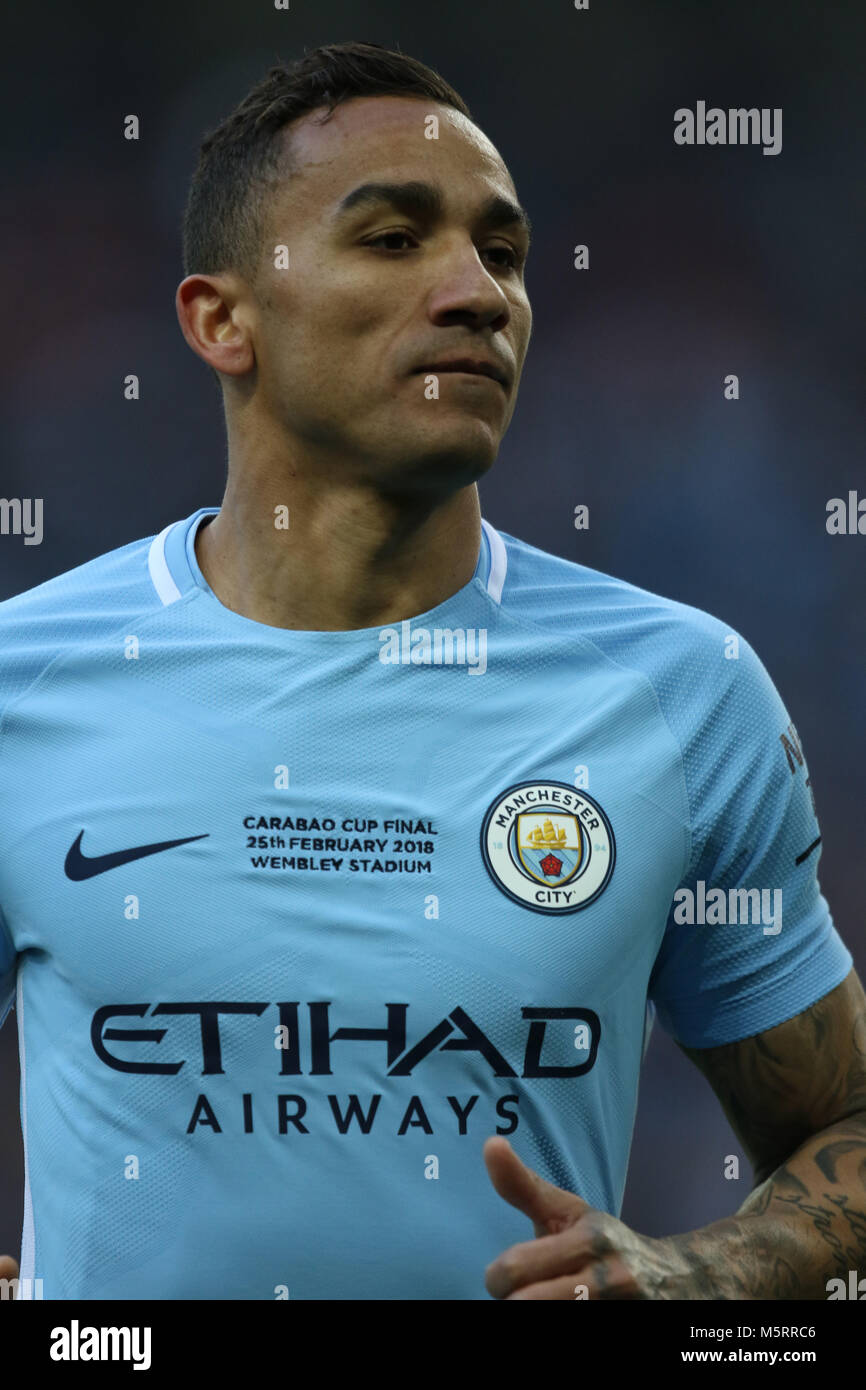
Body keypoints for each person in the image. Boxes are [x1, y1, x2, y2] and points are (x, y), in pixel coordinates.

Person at [0, 41, 863, 1301]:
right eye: (394, 238)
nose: (478, 293)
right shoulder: (24, 684)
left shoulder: (681, 693)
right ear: (220, 318)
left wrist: (703, 1270)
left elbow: (840, 1127)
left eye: (501, 253)